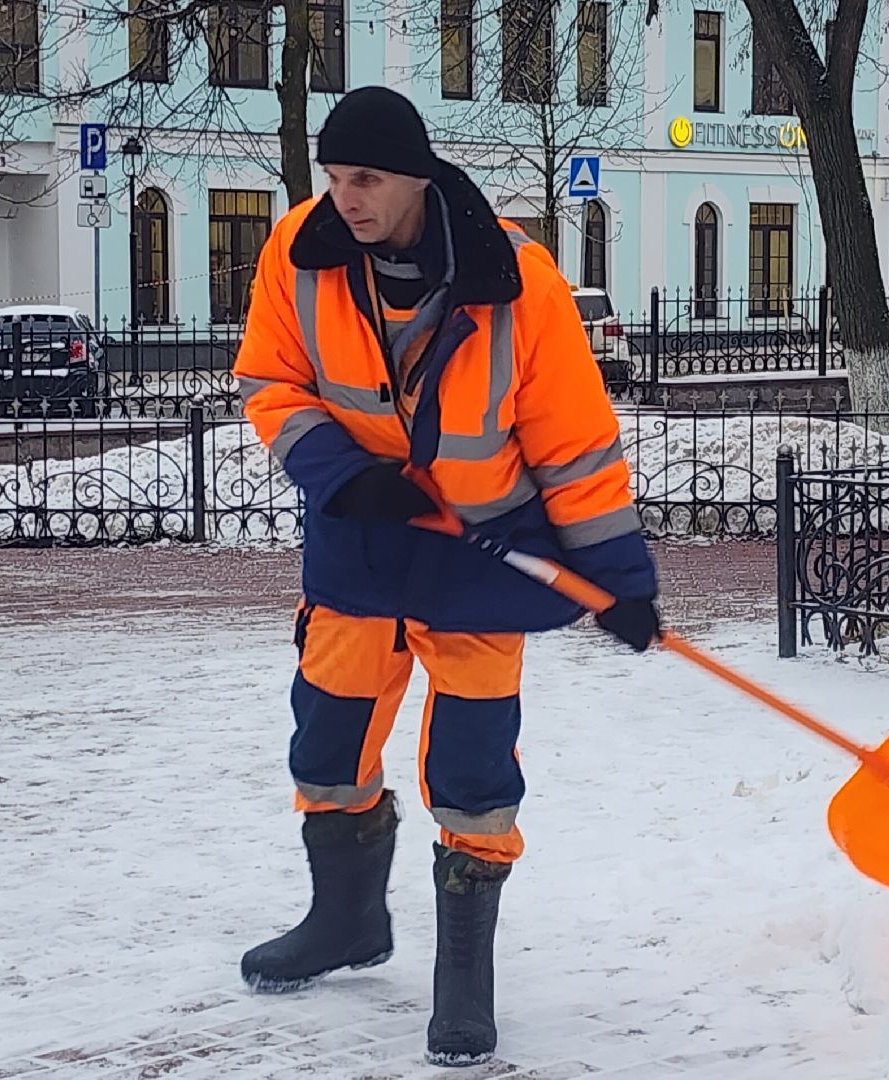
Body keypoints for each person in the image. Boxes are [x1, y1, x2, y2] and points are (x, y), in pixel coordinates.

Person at [230, 85, 662, 1067]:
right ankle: (343, 920)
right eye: (336, 178)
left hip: (476, 556)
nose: (347, 197)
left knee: (472, 766)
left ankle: (463, 977)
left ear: (416, 177)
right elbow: (270, 378)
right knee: (327, 741)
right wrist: (342, 472)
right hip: (362, 544)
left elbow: (573, 443)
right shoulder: (297, 257)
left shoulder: (517, 279)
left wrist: (618, 579)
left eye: (367, 179)